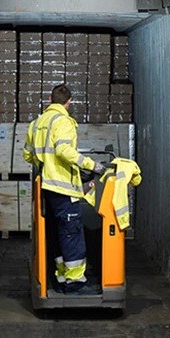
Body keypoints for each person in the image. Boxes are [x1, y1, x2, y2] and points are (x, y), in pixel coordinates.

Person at [23, 84, 105, 294]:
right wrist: (91, 165)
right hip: (63, 187)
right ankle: (75, 281)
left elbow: (28, 155)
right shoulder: (63, 121)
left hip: (47, 187)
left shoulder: (36, 124)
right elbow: (63, 150)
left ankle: (61, 275)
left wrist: (45, 166)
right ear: (69, 102)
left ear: (51, 100)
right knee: (72, 233)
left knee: (57, 231)